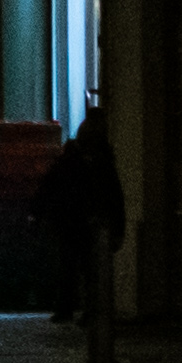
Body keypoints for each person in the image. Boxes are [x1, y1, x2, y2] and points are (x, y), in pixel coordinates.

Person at [40, 98, 127, 322]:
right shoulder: (103, 162)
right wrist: (118, 229)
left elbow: (50, 185)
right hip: (90, 220)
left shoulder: (70, 158)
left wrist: (41, 212)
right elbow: (114, 197)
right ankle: (89, 311)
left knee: (68, 267)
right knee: (91, 270)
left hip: (70, 220)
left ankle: (66, 309)